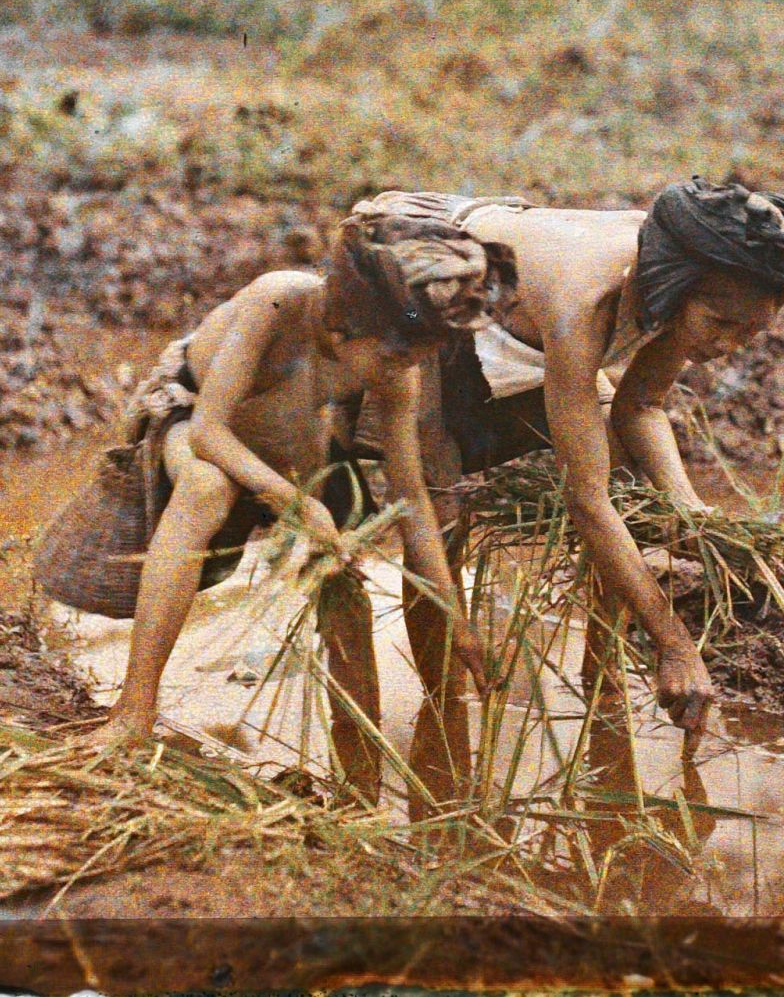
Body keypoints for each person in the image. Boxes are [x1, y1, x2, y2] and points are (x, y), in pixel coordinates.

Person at [348, 179, 784, 764]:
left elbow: (642, 405)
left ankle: (601, 681)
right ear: (676, 287)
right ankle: (442, 706)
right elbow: (586, 500)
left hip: (511, 285)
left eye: (751, 332)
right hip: (420, 266)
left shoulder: (696, 274)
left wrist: (691, 512)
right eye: (718, 324)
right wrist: (677, 646)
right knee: (442, 499)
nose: (727, 346)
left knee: (633, 483)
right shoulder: (586, 300)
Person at [80, 209, 509, 800]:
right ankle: (134, 711)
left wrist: (458, 623)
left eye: (411, 361)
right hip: (196, 421)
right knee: (207, 490)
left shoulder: (395, 369)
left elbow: (412, 501)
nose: (402, 374)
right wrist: (293, 501)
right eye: (392, 358)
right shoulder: (278, 304)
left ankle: (359, 770)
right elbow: (209, 429)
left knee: (345, 584)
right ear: (345, 328)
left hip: (296, 442)